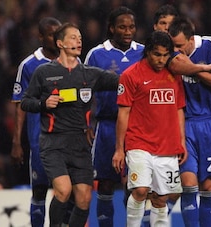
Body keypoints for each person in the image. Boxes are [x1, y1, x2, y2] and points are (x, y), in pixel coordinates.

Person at [20, 22, 119, 227]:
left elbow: (123, 81)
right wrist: (43, 104)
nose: (78, 40)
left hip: (80, 143)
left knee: (84, 197)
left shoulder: (90, 74)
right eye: (73, 37)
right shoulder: (44, 72)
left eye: (80, 37)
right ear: (60, 43)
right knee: (63, 191)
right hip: (53, 142)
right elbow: (25, 102)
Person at [112, 30, 187, 227]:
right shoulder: (130, 75)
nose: (161, 60)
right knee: (140, 190)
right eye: (157, 54)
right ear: (147, 52)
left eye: (165, 55)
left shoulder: (174, 76)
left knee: (163, 197)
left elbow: (179, 109)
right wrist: (119, 149)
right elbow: (123, 114)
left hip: (168, 145)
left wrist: (181, 142)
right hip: (139, 143)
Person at [84, 6, 144, 227]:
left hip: (137, 127)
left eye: (131, 27)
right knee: (106, 183)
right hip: (107, 126)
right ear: (111, 29)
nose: (128, 31)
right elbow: (85, 90)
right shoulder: (96, 54)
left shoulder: (144, 52)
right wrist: (87, 122)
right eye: (122, 27)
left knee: (135, 185)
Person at [10, 17, 73, 227]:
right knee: (39, 188)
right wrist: (17, 142)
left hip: (67, 136)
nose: (55, 39)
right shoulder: (28, 65)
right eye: (50, 34)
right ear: (40, 36)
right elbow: (19, 104)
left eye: (58, 34)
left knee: (68, 188)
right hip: (39, 138)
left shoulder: (72, 61)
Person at [168, 17, 211, 227]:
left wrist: (192, 68)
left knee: (209, 187)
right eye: (173, 45)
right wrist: (204, 69)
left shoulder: (210, 44)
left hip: (209, 123)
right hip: (184, 124)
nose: (176, 51)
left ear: (191, 39)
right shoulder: (171, 52)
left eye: (180, 46)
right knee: (188, 185)